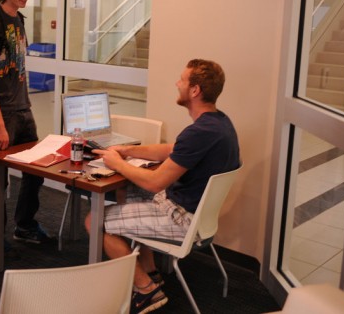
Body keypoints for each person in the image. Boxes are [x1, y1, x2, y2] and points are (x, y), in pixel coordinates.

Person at [85, 59, 241, 314]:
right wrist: (128, 150)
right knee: (130, 192)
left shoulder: (200, 132)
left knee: (95, 221)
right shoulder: (219, 123)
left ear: (195, 90)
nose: (177, 84)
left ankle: (146, 289)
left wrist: (116, 162)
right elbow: (170, 150)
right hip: (196, 212)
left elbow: (157, 181)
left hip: (182, 219)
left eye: (182, 80)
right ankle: (151, 271)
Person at [0, 0, 54, 255]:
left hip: (24, 109)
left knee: (35, 170)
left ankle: (25, 225)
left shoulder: (18, 20)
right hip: (2, 113)